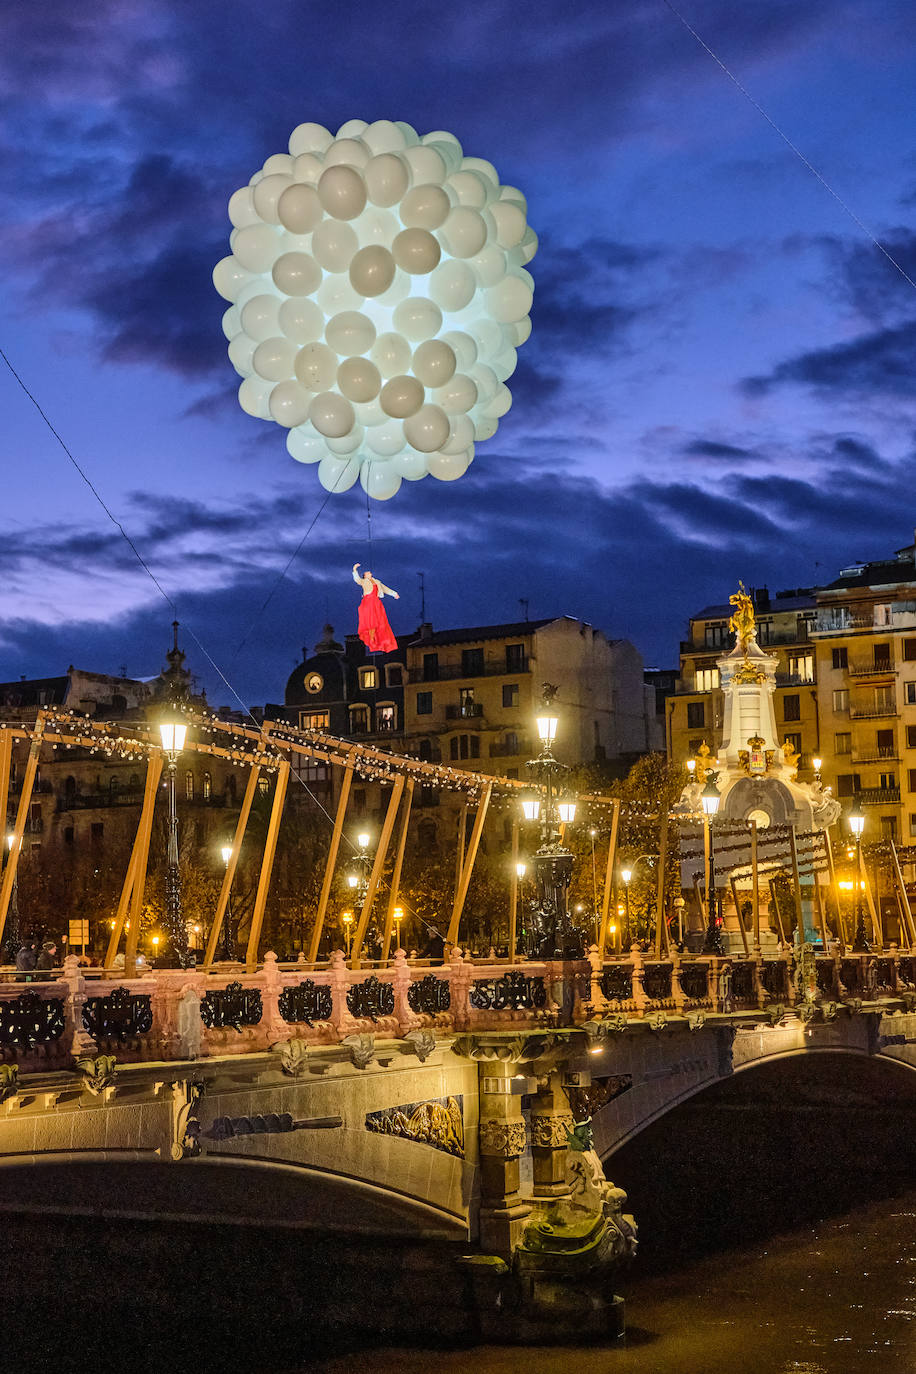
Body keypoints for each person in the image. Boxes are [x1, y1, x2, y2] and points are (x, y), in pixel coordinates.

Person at [352, 563, 399, 653]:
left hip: (376, 602)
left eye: (370, 572)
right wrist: (354, 569)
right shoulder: (364, 581)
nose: (370, 573)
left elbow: (385, 589)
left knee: (379, 621)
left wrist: (394, 594)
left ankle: (376, 639)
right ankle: (371, 639)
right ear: (365, 575)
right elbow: (357, 580)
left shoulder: (377, 581)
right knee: (371, 621)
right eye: (368, 572)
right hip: (368, 601)